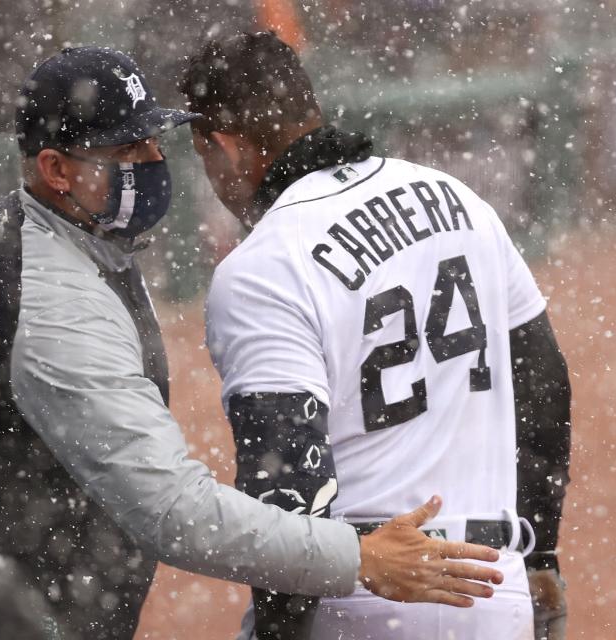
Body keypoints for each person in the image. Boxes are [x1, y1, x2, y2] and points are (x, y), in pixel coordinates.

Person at [0, 46, 504, 639]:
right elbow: (173, 510)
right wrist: (360, 558)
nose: (152, 159)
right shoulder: (50, 296)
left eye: (154, 138)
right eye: (125, 147)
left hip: (8, 588)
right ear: (56, 170)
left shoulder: (72, 234)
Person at [181, 32, 572, 640]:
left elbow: (284, 485)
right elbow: (543, 388)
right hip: (494, 588)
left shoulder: (262, 265)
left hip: (367, 597)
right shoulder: (459, 199)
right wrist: (540, 554)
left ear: (226, 147)